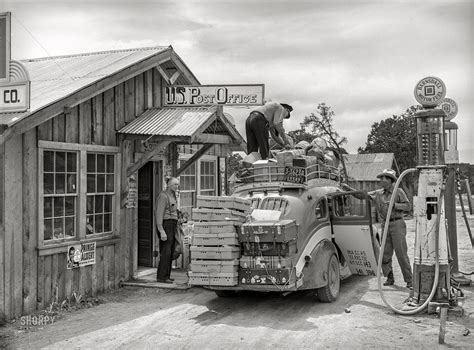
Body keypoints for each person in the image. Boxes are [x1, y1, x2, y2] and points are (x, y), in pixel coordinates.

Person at [344, 168, 413, 288]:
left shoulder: (398, 191)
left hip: (397, 224)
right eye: (381, 178)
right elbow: (363, 196)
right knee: (385, 253)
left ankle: (410, 281)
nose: (381, 180)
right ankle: (389, 277)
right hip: (385, 224)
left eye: (384, 178)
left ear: (390, 180)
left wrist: (394, 205)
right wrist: (350, 190)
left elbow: (408, 206)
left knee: (401, 253)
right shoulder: (378, 193)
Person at [155, 177, 180, 283]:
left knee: (170, 251)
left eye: (177, 184)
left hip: (173, 224)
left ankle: (167, 275)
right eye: (175, 184)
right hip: (165, 225)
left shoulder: (173, 195)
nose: (177, 186)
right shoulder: (163, 196)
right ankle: (161, 276)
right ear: (169, 185)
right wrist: (161, 230)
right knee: (165, 251)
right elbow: (159, 214)